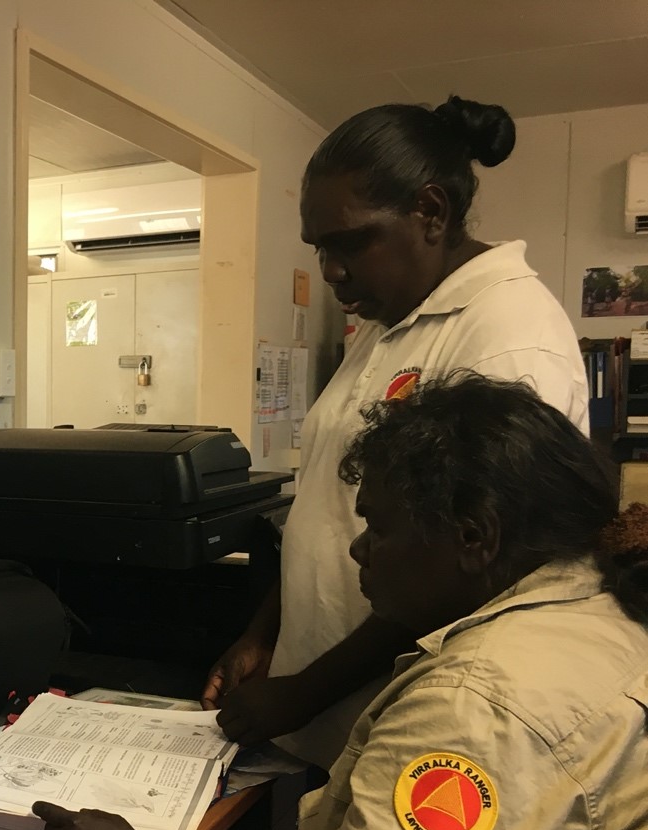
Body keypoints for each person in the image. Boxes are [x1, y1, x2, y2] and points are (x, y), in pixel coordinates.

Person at [35, 373, 648, 830]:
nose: (359, 550)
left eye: (377, 529)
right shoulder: (595, 613)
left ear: (476, 537)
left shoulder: (480, 703)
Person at [201, 96, 589, 768]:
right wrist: (265, 633)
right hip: (316, 705)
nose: (329, 271)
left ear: (430, 213)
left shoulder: (506, 339)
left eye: (350, 241)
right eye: (320, 247)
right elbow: (325, 507)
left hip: (408, 726)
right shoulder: (390, 322)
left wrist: (306, 690)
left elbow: (468, 571)